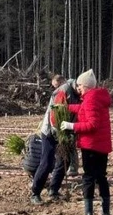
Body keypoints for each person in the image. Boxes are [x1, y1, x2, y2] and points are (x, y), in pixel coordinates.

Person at [62, 69, 113, 215]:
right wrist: (67, 107)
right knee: (101, 177)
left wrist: (71, 126)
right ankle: (105, 211)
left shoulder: (90, 99)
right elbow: (84, 109)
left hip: (91, 146)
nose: (78, 88)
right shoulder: (97, 97)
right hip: (102, 146)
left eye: (79, 85)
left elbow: (92, 125)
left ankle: (88, 212)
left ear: (86, 86)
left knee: (89, 177)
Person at [30, 74, 79, 204]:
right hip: (51, 132)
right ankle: (35, 193)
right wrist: (60, 133)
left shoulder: (79, 93)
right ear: (79, 85)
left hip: (65, 131)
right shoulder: (63, 91)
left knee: (65, 160)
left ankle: (54, 190)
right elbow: (54, 115)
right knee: (47, 162)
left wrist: (71, 131)